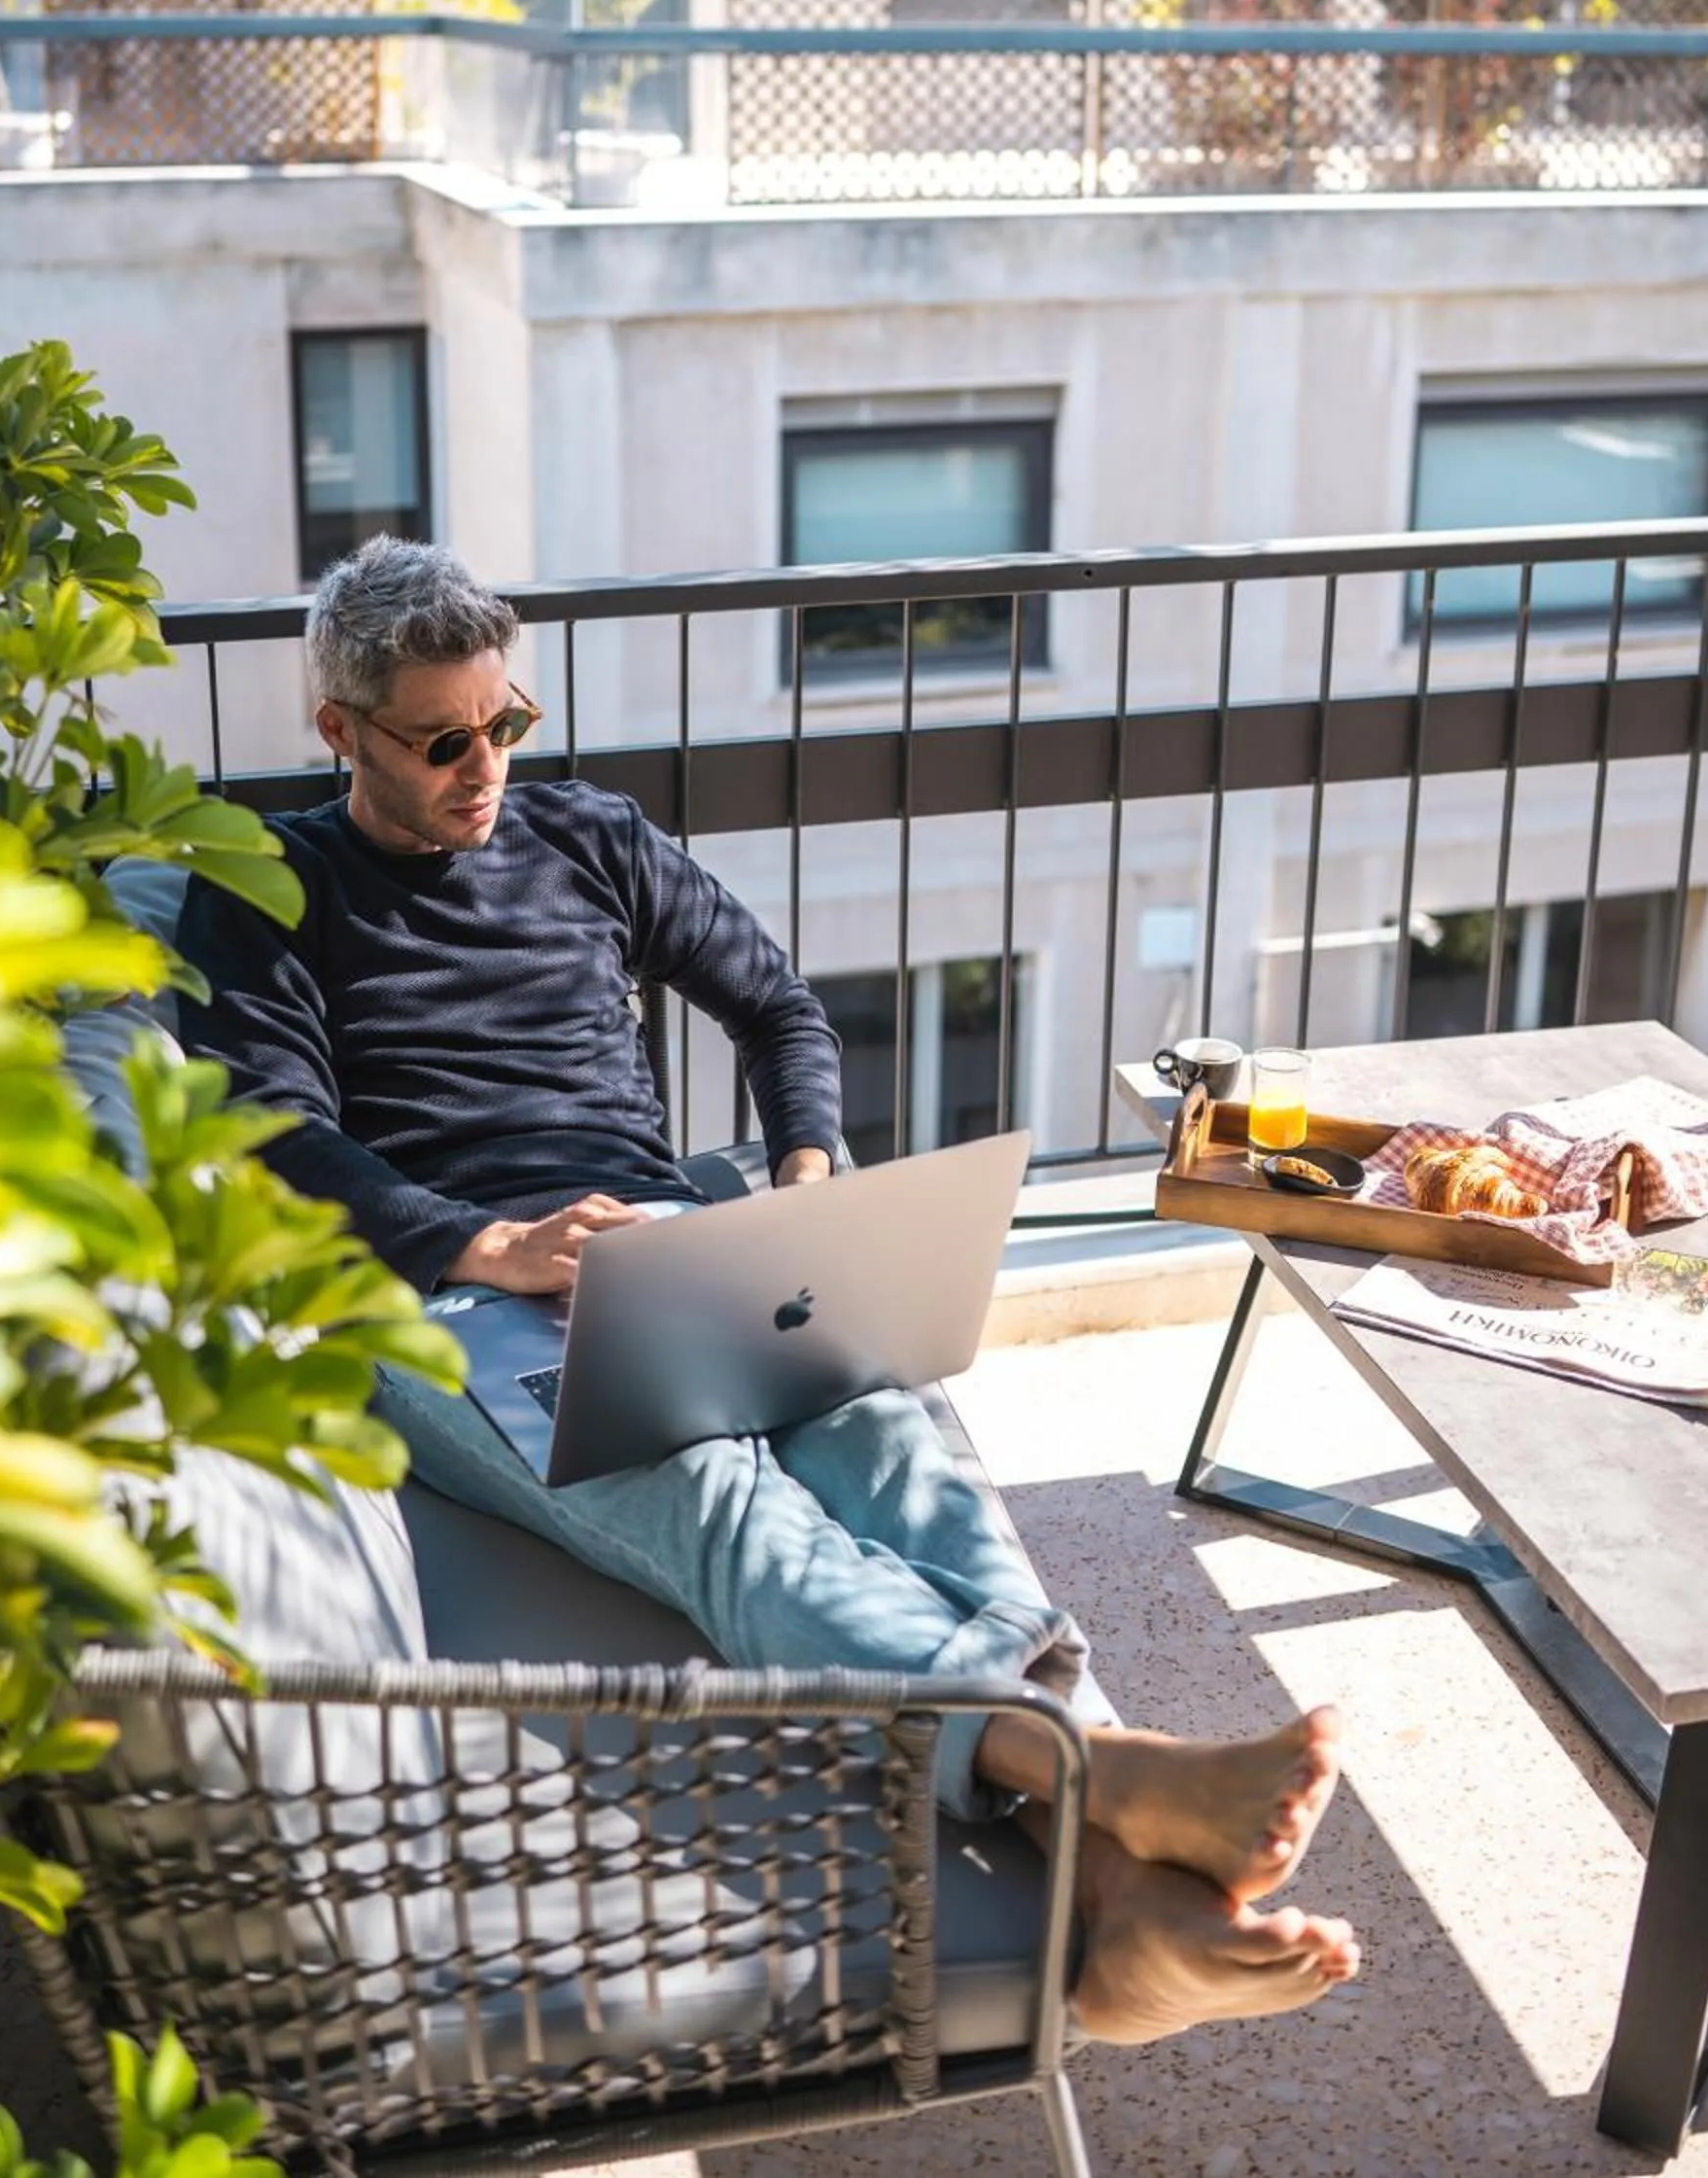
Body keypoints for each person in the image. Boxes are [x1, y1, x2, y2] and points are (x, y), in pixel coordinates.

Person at [178, 536, 1361, 2042]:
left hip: (682, 1248)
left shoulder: (589, 839)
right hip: (441, 1296)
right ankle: (1097, 1762)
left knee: (896, 1449)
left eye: (508, 725)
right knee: (723, 1500)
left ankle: (1119, 1908)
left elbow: (777, 1001)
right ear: (341, 731)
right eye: (441, 740)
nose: (486, 767)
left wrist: (803, 1176)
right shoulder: (264, 889)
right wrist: (487, 1246)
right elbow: (274, 1133)